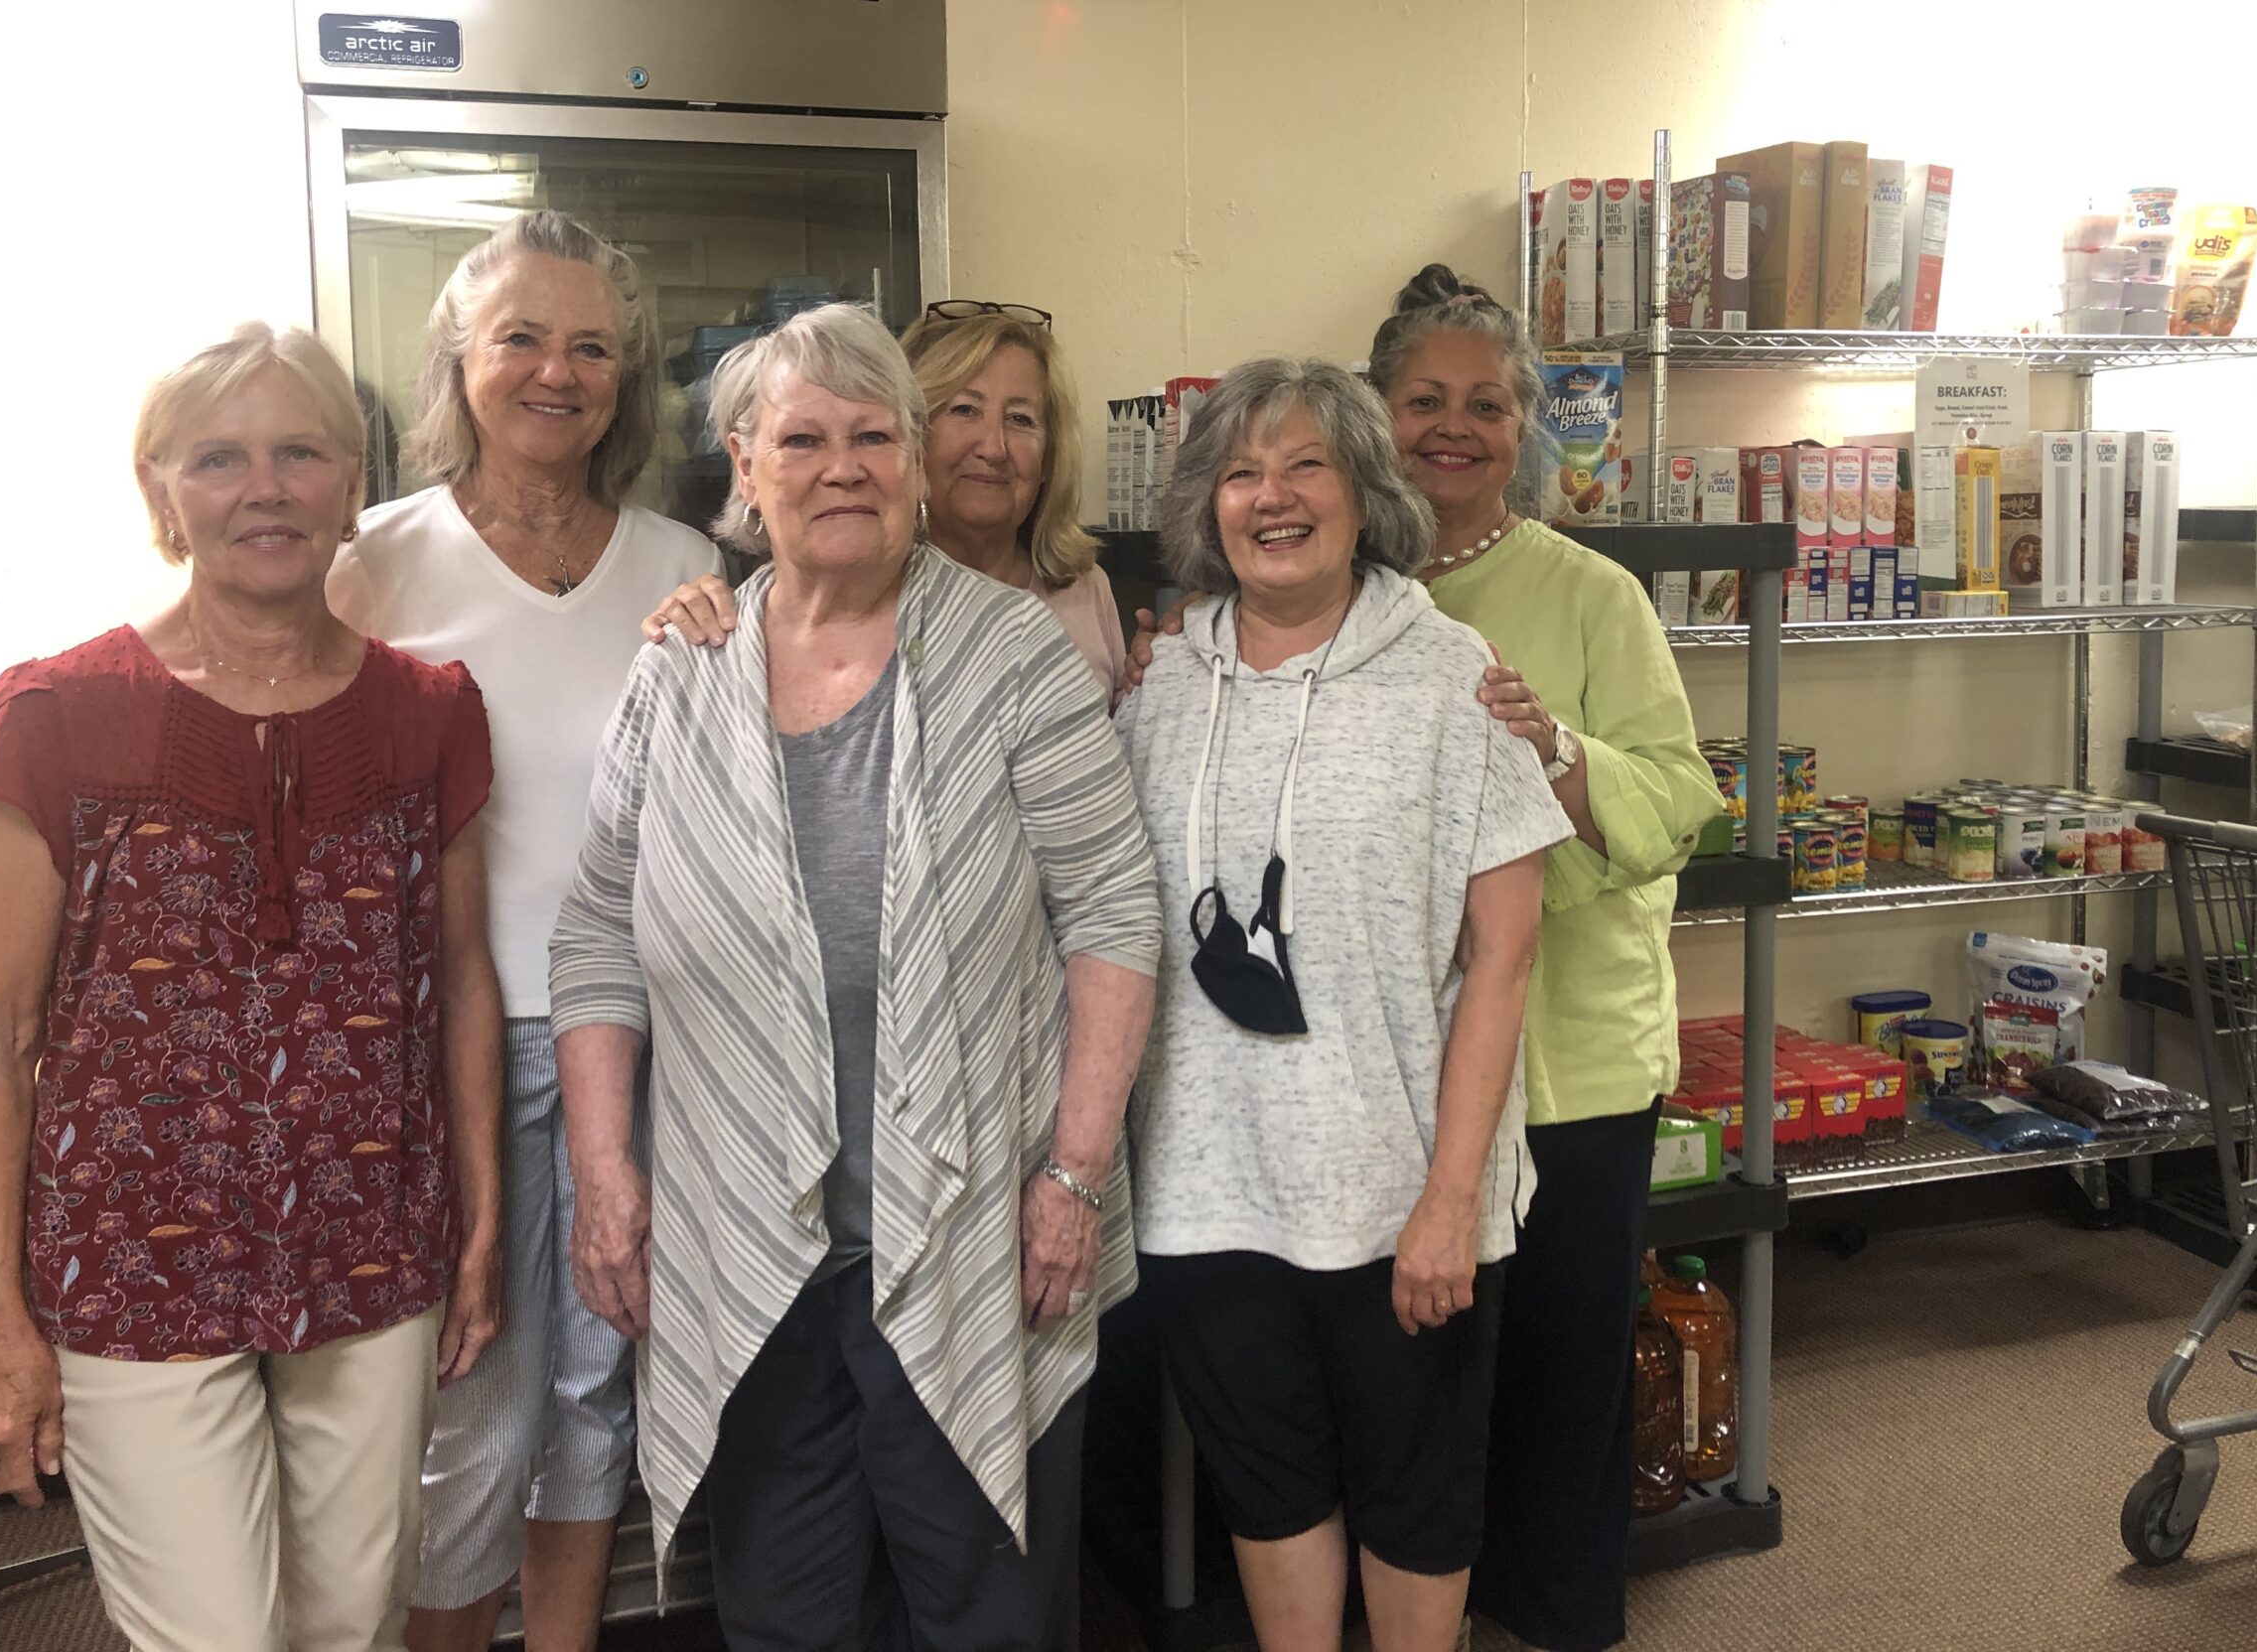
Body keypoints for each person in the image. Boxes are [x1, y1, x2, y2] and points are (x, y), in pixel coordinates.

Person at [547, 303, 1161, 1652]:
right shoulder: (682, 674)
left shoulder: (1013, 659)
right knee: (789, 1608)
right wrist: (607, 1177)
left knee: (983, 1609)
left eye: (875, 435)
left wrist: (1074, 1175)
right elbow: (595, 936)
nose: (844, 466)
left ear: (916, 466)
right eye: (803, 438)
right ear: (744, 470)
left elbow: (1115, 915)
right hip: (748, 1246)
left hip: (975, 1230)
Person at [0, 324, 504, 1652]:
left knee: (355, 1626)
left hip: (373, 1240)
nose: (265, 488)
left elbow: (461, 982)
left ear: (350, 480)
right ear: (158, 491)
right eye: (218, 458)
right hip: (134, 1258)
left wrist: (480, 1223)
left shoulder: (432, 713)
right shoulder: (56, 713)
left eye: (299, 452)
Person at [1118, 356, 1573, 1652]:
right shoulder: (1159, 690)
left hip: (1399, 1199)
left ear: (1364, 495)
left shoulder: (1456, 681)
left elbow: (1505, 956)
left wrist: (1448, 1197)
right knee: (1266, 1493)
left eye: (1306, 465)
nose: (1274, 497)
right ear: (1209, 502)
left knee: (1416, 1504)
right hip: (1211, 1188)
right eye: (1245, 471)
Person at [326, 210, 722, 1652]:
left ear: (626, 379)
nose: (557, 372)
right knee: (475, 1395)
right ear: (458, 360)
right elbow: (220, 681)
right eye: (521, 340)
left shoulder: (686, 561)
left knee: (598, 1387)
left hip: (645, 1034)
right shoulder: (371, 565)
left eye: (592, 347)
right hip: (455, 1046)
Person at [1370, 266, 1716, 1652]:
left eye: (1488, 405)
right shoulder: (1340, 585)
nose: (1454, 428)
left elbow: (1682, 797)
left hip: (1570, 1062)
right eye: (1424, 402)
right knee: (1422, 1380)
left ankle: (1566, 1619)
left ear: (1527, 430)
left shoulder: (1594, 594)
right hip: (1401, 1067)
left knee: (1563, 1373)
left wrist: (1555, 752)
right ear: (1373, 416)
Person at [641, 300, 1130, 707]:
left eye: (1022, 420)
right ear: (915, 444)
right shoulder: (839, 590)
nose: (994, 447)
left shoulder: (1087, 592)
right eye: (964, 410)